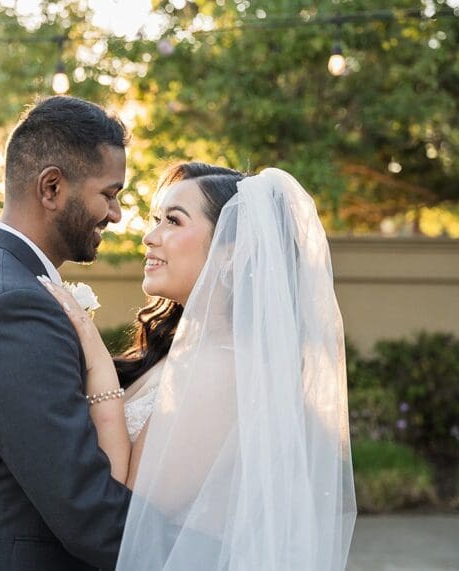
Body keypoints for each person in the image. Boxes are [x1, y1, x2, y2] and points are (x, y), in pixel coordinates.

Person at [42, 162, 357, 570]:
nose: (149, 237)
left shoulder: (224, 368)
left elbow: (126, 513)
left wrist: (98, 363)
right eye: (156, 220)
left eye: (173, 221)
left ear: (231, 253)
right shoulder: (184, 352)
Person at [0, 96, 132, 571]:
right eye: (109, 193)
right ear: (51, 187)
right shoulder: (12, 304)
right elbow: (87, 509)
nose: (116, 213)